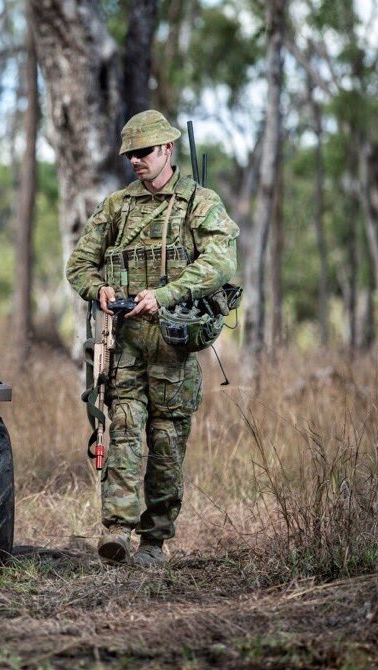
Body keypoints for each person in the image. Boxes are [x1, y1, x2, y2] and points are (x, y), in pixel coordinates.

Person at [65, 110, 239, 566]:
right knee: (122, 433)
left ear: (168, 149)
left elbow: (219, 263)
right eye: (130, 156)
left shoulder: (199, 204)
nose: (136, 162)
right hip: (125, 348)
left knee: (165, 445)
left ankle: (155, 542)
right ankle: (118, 533)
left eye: (143, 152)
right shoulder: (117, 207)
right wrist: (97, 288)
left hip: (174, 350)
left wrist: (164, 295)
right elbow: (79, 264)